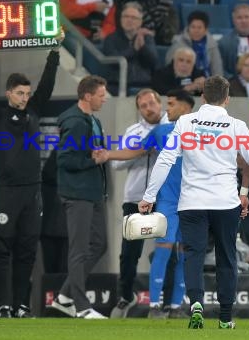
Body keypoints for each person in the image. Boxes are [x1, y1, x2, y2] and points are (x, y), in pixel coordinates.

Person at [138, 75, 249, 329]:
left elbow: (165, 160)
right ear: (227, 98)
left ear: (202, 96)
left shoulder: (185, 122)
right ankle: (225, 317)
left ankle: (196, 305)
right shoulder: (235, 125)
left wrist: (149, 196)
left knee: (192, 255)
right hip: (225, 203)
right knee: (227, 257)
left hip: (192, 202)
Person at [0, 31, 62, 318]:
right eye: (20, 93)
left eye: (27, 93)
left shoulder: (34, 112)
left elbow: (47, 86)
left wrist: (54, 50)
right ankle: (2, 304)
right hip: (6, 192)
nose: (25, 97)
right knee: (1, 250)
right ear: (9, 93)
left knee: (27, 250)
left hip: (32, 192)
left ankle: (22, 306)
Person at [107, 89, 194, 319]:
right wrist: (108, 155)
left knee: (184, 254)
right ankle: (153, 306)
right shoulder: (161, 130)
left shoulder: (201, 131)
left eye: (171, 104)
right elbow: (135, 150)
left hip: (192, 201)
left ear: (185, 107)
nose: (167, 108)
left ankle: (174, 307)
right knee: (160, 251)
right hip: (162, 199)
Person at [50, 75, 110, 319]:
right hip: (77, 194)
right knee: (79, 250)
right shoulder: (75, 123)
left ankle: (64, 297)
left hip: (93, 192)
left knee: (99, 244)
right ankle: (82, 307)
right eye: (101, 95)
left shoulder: (91, 120)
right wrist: (92, 160)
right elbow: (64, 160)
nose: (104, 99)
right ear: (88, 96)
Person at [109, 88, 168, 318]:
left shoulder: (173, 126)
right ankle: (125, 296)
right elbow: (116, 165)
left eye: (151, 103)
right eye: (143, 106)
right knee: (129, 253)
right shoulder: (133, 131)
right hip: (135, 199)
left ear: (159, 103)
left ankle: (167, 303)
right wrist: (141, 151)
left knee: (167, 252)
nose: (148, 109)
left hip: (166, 199)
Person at [102, 2, 158, 95]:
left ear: (140, 22)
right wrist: (134, 50)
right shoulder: (111, 38)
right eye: (126, 16)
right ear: (120, 19)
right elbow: (112, 61)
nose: (129, 20)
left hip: (143, 86)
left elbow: (153, 62)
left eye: (133, 18)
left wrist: (143, 47)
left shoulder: (146, 38)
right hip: (116, 86)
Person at [165, 10, 224, 78]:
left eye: (199, 28)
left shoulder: (212, 45)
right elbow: (169, 66)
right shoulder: (178, 44)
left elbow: (217, 69)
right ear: (188, 28)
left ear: (205, 30)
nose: (196, 31)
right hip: (183, 81)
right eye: (193, 27)